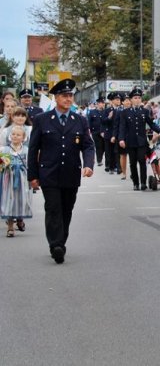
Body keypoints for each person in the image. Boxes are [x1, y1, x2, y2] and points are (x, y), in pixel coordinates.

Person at [27, 79, 95, 264]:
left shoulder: (80, 120)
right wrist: (32, 176)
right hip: (49, 173)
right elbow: (33, 149)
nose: (68, 99)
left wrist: (89, 164)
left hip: (71, 173)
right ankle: (56, 245)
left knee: (67, 209)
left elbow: (88, 146)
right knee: (53, 208)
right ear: (56, 98)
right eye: (64, 96)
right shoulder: (42, 119)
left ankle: (61, 242)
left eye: (70, 95)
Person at [118, 88, 160, 191]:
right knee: (133, 163)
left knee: (142, 161)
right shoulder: (125, 112)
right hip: (130, 141)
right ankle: (135, 183)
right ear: (131, 99)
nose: (137, 100)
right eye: (135, 98)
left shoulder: (145, 111)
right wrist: (121, 139)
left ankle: (143, 183)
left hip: (141, 141)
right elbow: (122, 127)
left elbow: (151, 124)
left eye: (139, 98)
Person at [1, 125, 32, 237]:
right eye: (13, 134)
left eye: (18, 135)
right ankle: (10, 227)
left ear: (23, 137)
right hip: (8, 179)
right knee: (9, 201)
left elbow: (30, 165)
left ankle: (20, 219)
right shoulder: (5, 149)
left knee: (21, 201)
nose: (15, 136)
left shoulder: (26, 150)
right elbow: (1, 165)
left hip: (22, 179)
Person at [87, 97, 105, 167]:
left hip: (104, 132)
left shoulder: (105, 111)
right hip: (95, 132)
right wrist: (89, 130)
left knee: (104, 146)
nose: (102, 105)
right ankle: (99, 160)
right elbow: (89, 122)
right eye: (100, 103)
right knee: (98, 146)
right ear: (97, 104)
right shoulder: (92, 112)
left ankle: (102, 157)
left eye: (103, 103)